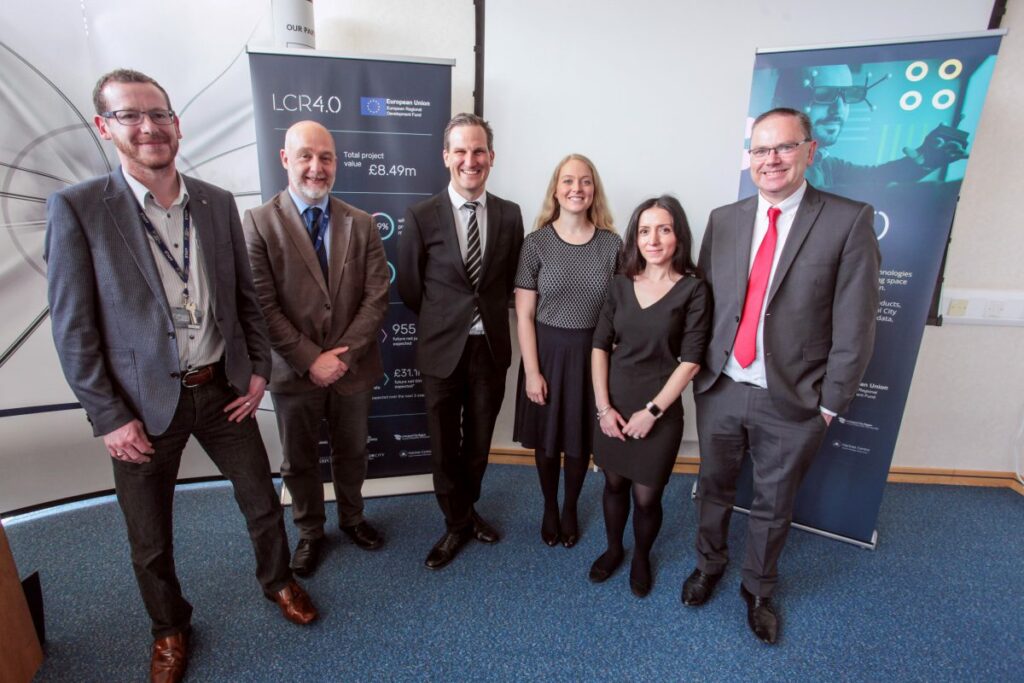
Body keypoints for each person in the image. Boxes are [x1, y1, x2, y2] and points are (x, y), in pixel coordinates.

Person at [45, 69, 316, 683]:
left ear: (176, 122)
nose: (148, 127)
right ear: (104, 127)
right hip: (140, 408)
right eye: (130, 116)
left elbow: (246, 299)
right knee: (150, 540)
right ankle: (169, 628)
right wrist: (109, 416)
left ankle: (278, 582)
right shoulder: (78, 210)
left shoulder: (217, 203)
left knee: (262, 507)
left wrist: (257, 371)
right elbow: (74, 329)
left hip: (223, 391)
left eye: (158, 114)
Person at [683, 108, 880, 644]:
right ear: (748, 159)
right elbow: (705, 305)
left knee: (774, 504)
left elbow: (856, 322)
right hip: (721, 387)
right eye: (761, 150)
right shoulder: (724, 219)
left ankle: (760, 588)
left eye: (784, 148)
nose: (771, 160)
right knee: (713, 488)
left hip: (795, 400)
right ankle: (709, 564)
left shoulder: (848, 220)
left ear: (810, 151)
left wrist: (830, 403)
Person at [243, 121, 390, 577]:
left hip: (353, 370)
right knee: (299, 461)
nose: (316, 167)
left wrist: (340, 359)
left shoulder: (361, 223)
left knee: (352, 453)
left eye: (325, 157)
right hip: (294, 373)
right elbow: (262, 306)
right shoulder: (259, 223)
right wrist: (311, 359)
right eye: (305, 156)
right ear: (285, 159)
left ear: (336, 163)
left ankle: (352, 518)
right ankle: (309, 532)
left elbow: (377, 295)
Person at [397, 113, 524, 569]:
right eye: (461, 151)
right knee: (443, 443)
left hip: (489, 350)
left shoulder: (510, 214)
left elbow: (507, 281)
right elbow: (411, 288)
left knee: (479, 443)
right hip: (441, 350)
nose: (470, 161)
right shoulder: (421, 215)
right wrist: (447, 321)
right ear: (446, 156)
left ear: (491, 158)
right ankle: (457, 524)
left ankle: (466, 512)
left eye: (479, 151)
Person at [589, 196, 710, 598]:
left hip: (659, 410)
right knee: (613, 485)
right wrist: (604, 408)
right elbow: (599, 347)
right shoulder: (619, 284)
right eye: (644, 230)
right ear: (634, 237)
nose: (653, 239)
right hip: (614, 405)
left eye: (663, 229)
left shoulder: (694, 290)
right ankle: (612, 549)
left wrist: (652, 412)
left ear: (678, 235)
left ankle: (641, 555)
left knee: (646, 497)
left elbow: (691, 361)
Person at [513, 154, 620, 549]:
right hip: (546, 354)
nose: (577, 188)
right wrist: (532, 372)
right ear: (555, 190)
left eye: (586, 181)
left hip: (592, 356)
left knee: (578, 440)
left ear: (594, 190)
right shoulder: (535, 243)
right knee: (546, 442)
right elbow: (524, 315)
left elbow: (620, 311)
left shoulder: (612, 245)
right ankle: (549, 507)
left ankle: (571, 506)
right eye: (568, 181)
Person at [771, 64, 968, 188]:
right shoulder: (765, 171)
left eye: (848, 96)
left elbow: (874, 177)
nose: (838, 110)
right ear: (782, 103)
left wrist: (925, 160)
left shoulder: (826, 164)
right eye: (823, 95)